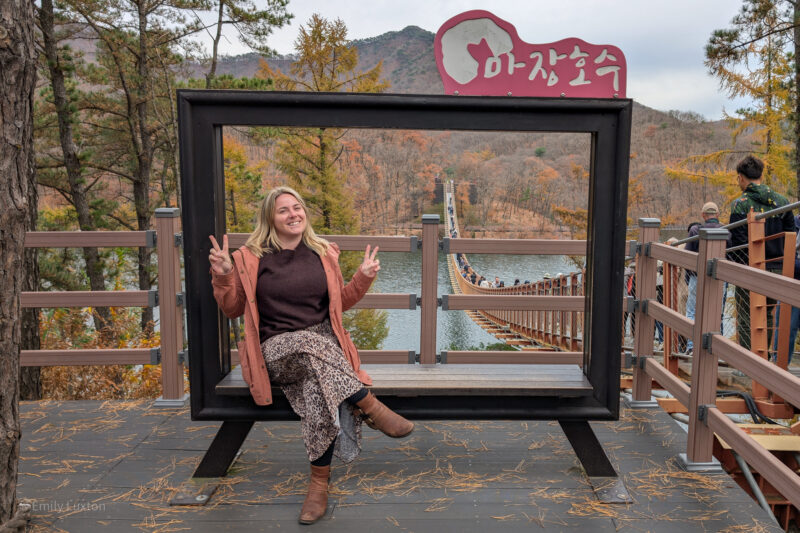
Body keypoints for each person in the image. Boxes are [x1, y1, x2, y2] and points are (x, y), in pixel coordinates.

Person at [209, 186, 413, 525]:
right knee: (306, 344)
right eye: (283, 210)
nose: (293, 214)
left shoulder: (323, 253)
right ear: (269, 219)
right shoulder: (249, 257)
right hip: (275, 349)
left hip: (322, 351)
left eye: (297, 207)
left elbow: (338, 305)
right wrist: (224, 273)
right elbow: (232, 308)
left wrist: (361, 279)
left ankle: (318, 484)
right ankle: (370, 405)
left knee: (318, 390)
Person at [728, 155, 795, 351]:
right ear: (761, 175)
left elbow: (738, 244)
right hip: (778, 267)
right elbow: (791, 234)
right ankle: (765, 361)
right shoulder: (783, 202)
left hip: (751, 269)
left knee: (747, 317)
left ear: (741, 177)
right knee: (768, 314)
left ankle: (751, 365)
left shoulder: (739, 204)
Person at [684, 205, 722, 353]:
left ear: (703, 214)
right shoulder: (726, 230)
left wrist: (689, 275)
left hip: (696, 276)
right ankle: (718, 348)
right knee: (717, 311)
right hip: (719, 278)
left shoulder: (695, 231)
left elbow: (688, 256)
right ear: (717, 214)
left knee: (693, 310)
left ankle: (692, 346)